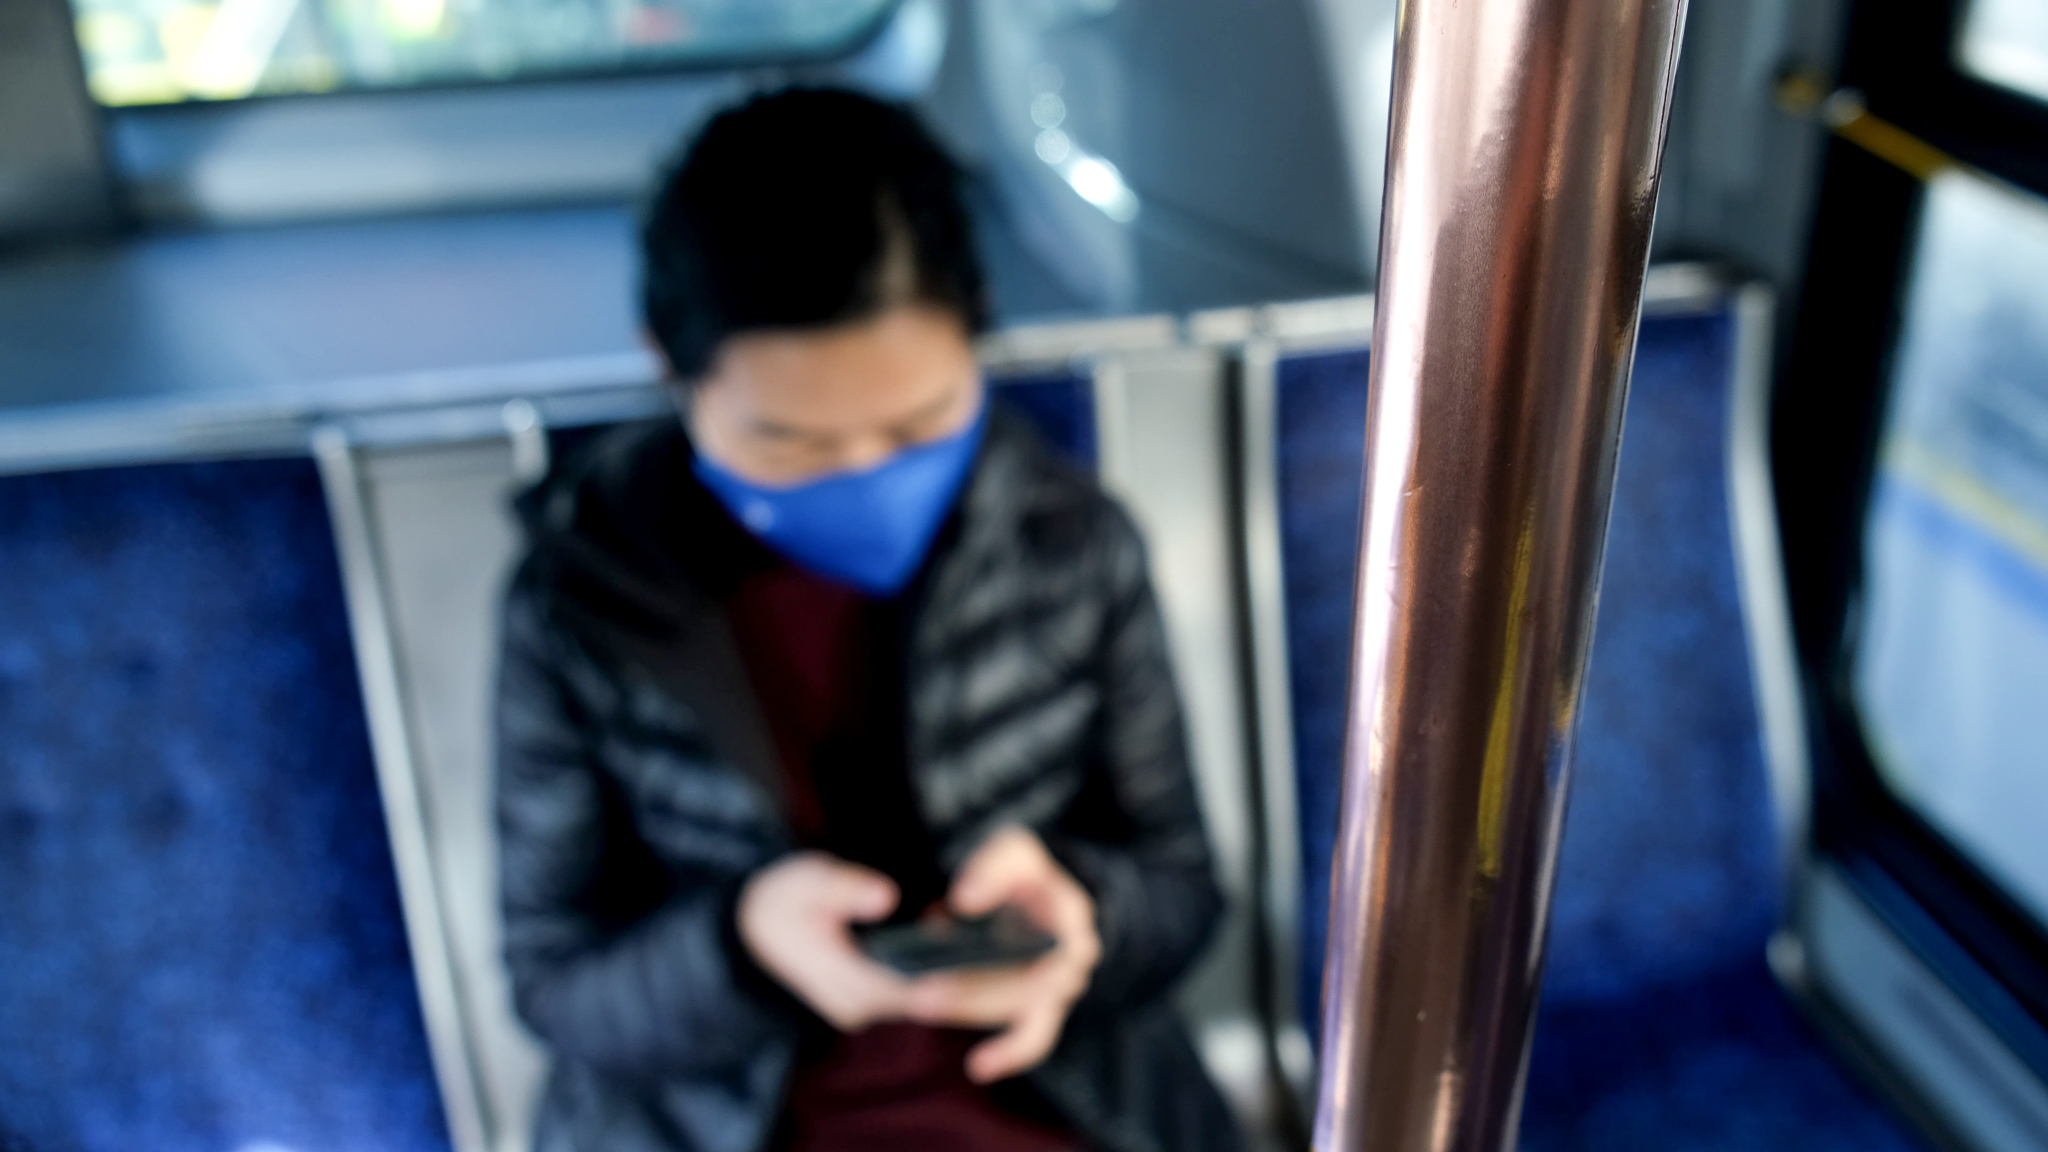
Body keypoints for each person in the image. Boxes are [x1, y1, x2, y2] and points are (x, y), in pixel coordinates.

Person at [493, 86, 1238, 1152]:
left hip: (1059, 1109)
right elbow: (557, 984)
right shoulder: (580, 598)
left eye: (917, 426)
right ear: (666, 362)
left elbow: (1180, 893)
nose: (861, 471)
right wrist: (743, 947)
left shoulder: (1076, 546)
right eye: (790, 442)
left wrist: (1084, 918)